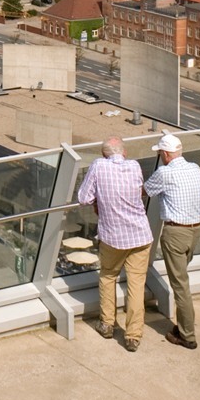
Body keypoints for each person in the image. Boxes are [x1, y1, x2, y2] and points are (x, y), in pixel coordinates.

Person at [75, 135, 152, 351]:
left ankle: (108, 324)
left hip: (114, 236)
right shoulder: (135, 166)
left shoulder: (99, 166)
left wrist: (98, 200)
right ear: (124, 153)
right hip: (140, 234)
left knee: (108, 276)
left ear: (103, 154)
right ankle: (133, 336)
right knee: (136, 284)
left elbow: (83, 197)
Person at [143, 132, 200, 351]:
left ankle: (187, 335)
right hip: (195, 231)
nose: (160, 156)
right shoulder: (195, 169)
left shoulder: (165, 172)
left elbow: (145, 190)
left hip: (175, 233)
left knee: (180, 286)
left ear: (166, 154)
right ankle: (183, 326)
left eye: (161, 153)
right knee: (182, 281)